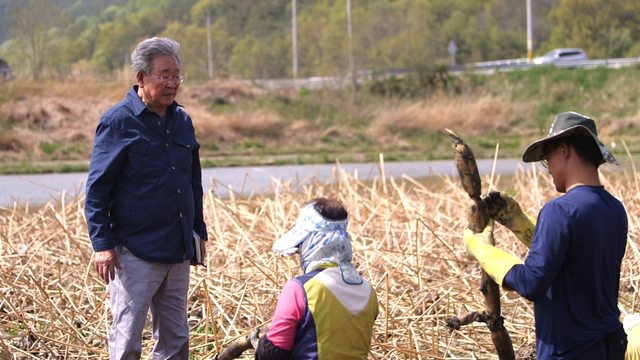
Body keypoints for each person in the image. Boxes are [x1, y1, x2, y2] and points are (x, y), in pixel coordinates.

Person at [462, 111, 628, 359]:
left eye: (547, 159)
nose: (548, 169)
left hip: (570, 351)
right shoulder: (615, 209)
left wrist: (482, 249)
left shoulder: (559, 210)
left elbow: (533, 283)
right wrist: (521, 224)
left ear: (564, 151)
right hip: (610, 345)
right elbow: (573, 260)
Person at [85, 37, 207, 360]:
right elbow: (97, 190)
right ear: (140, 77)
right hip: (134, 252)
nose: (172, 84)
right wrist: (102, 245)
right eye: (164, 75)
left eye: (177, 76)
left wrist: (198, 232)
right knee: (127, 341)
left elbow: (193, 182)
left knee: (176, 339)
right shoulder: (117, 123)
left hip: (178, 248)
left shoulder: (182, 121)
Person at [250, 197, 378, 360]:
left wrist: (261, 344)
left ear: (311, 243)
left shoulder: (299, 289)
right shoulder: (368, 292)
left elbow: (274, 353)